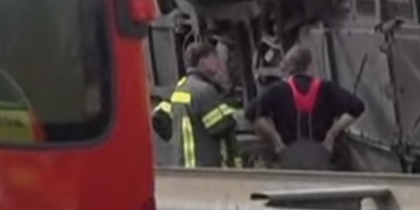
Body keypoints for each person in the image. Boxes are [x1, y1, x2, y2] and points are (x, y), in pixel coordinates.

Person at [250, 45, 366, 170]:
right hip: (320, 153)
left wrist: (275, 139)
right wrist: (332, 133)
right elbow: (357, 107)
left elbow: (252, 113)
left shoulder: (277, 90)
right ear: (310, 65)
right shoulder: (326, 88)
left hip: (288, 153)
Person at [151, 40, 243, 168]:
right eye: (214, 58)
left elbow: (159, 119)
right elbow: (222, 128)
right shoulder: (204, 91)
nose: (218, 63)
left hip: (184, 167)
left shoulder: (180, 88)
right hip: (205, 168)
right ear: (203, 61)